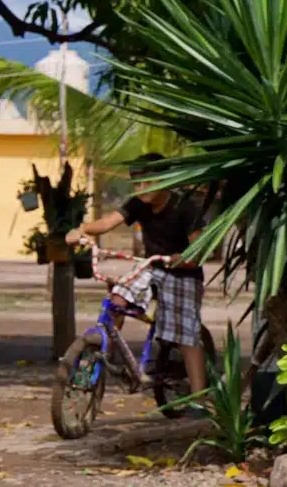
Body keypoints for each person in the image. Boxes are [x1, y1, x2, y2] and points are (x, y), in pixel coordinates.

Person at [69, 155, 207, 396]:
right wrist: (80, 230)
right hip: (151, 267)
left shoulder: (184, 207)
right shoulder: (138, 204)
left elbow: (200, 247)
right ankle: (100, 361)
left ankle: (200, 398)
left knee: (186, 333)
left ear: (165, 180)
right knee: (117, 301)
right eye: (136, 183)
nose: (141, 188)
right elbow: (105, 223)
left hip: (184, 274)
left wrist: (184, 258)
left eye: (147, 182)